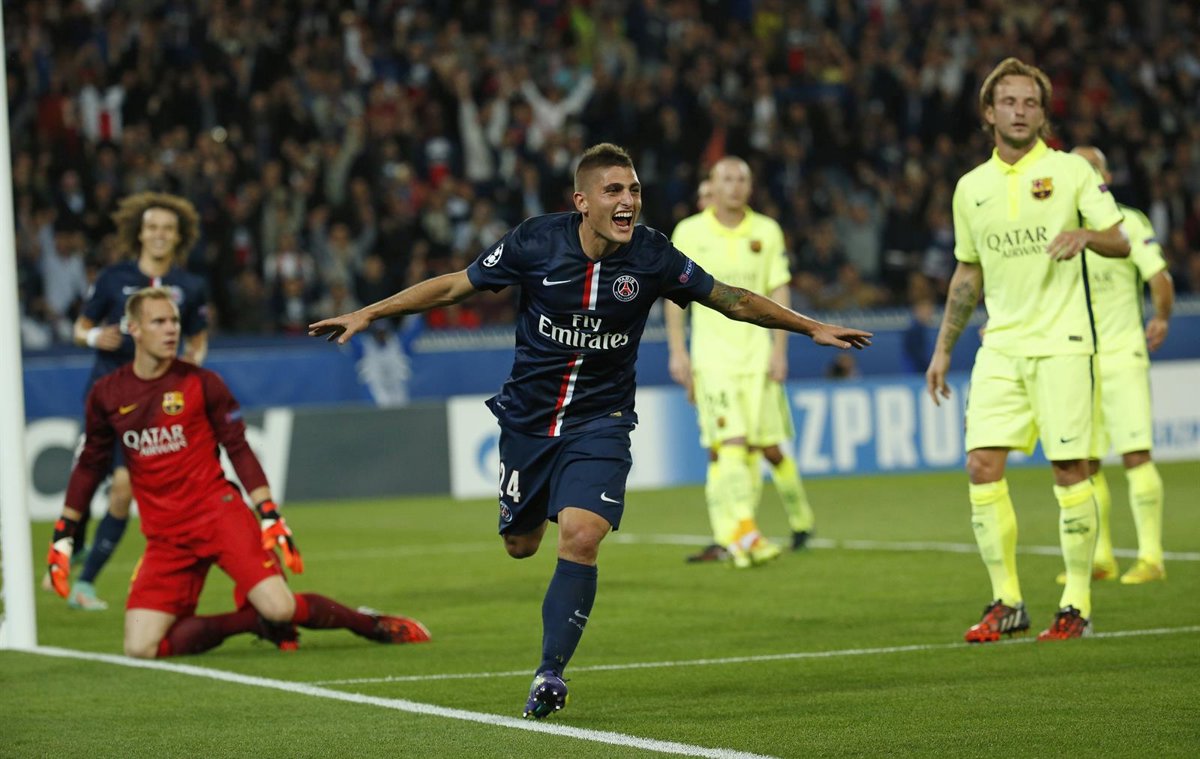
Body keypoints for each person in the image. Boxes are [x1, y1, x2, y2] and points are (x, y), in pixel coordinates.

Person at [309, 143, 871, 719]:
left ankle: (549, 672)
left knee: (581, 536)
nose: (629, 201)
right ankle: (543, 512)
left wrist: (810, 327)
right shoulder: (535, 241)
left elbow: (730, 299)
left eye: (634, 190)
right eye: (614, 191)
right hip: (528, 420)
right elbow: (456, 285)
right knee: (521, 545)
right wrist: (369, 313)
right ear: (582, 201)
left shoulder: (652, 255)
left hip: (602, 420)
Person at [45, 287, 431, 657]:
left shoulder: (202, 383)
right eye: (159, 322)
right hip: (165, 535)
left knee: (281, 606)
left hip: (218, 515)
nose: (172, 329)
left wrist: (268, 513)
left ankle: (368, 624)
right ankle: (252, 622)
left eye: (174, 321)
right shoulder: (107, 394)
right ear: (134, 329)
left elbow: (239, 448)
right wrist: (64, 534)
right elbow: (89, 466)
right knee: (140, 647)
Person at [925, 59, 1130, 643]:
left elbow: (1120, 239)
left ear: (1043, 114)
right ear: (989, 113)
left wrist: (1087, 235)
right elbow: (968, 272)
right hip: (1001, 345)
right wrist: (943, 349)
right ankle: (1008, 601)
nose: (1020, 111)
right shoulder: (971, 188)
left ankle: (1076, 604)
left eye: (1030, 102)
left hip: (1064, 344)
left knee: (1070, 469)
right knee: (981, 465)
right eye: (1009, 102)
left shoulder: (1070, 171)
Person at [59, 192, 211, 611]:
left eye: (168, 229)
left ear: (178, 236)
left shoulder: (189, 286)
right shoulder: (113, 278)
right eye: (153, 228)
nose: (159, 235)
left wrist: (192, 361)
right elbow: (80, 327)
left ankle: (84, 585)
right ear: (140, 234)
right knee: (88, 483)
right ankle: (78, 546)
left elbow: (199, 338)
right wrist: (94, 336)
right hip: (106, 398)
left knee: (124, 489)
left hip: (150, 408)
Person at [666, 158, 817, 567]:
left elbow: (778, 291)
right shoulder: (690, 232)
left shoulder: (766, 231)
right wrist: (678, 351)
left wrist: (780, 350)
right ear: (712, 186)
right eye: (726, 179)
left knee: (765, 447)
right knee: (728, 445)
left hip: (757, 359)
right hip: (713, 360)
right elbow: (673, 296)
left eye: (741, 179)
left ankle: (796, 522)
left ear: (750, 187)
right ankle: (740, 534)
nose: (734, 186)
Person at [1062, 146, 1173, 585]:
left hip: (1122, 354)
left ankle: (1151, 556)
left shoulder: (1129, 222)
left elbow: (1159, 276)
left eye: (1094, 168)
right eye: (1079, 169)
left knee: (1135, 453)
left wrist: (1161, 316)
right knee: (1086, 462)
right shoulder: (1059, 229)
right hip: (1076, 361)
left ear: (1107, 177)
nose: (1088, 175)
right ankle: (1101, 557)